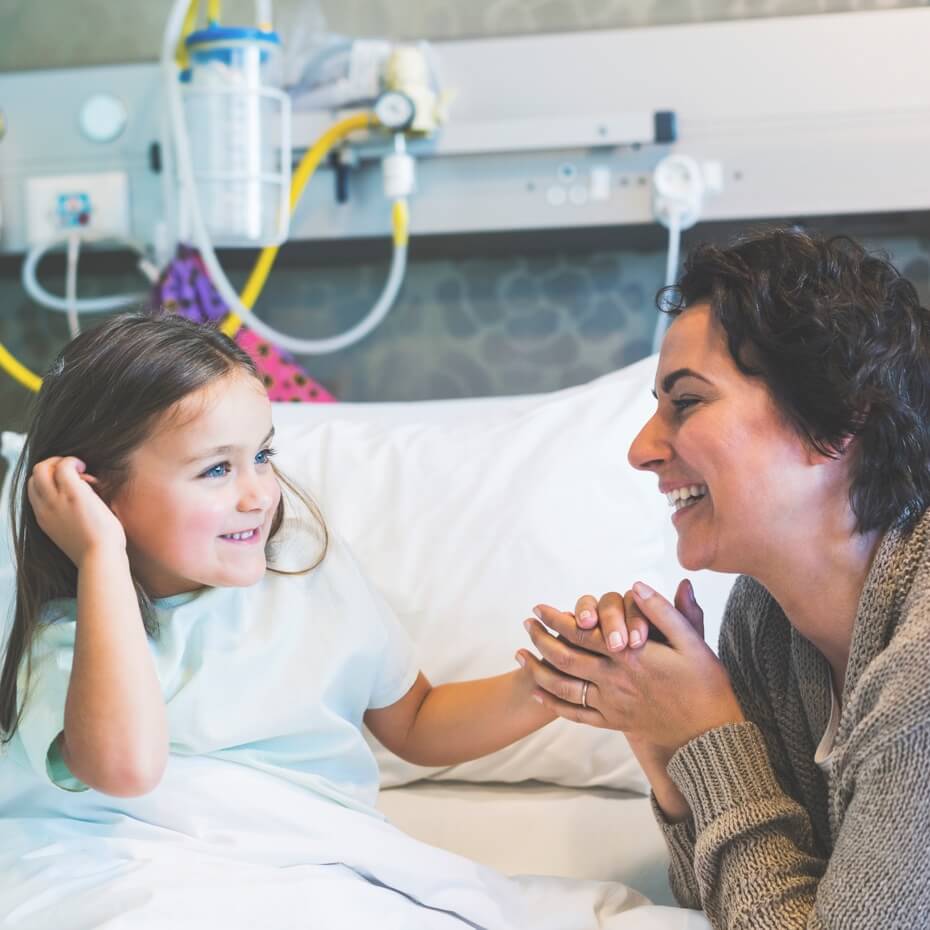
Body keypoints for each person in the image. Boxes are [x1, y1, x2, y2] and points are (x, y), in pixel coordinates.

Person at [517, 228, 930, 928]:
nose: (641, 450)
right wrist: (664, 744)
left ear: (839, 417)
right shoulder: (767, 621)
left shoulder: (918, 677)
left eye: (687, 401)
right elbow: (731, 898)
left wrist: (713, 736)